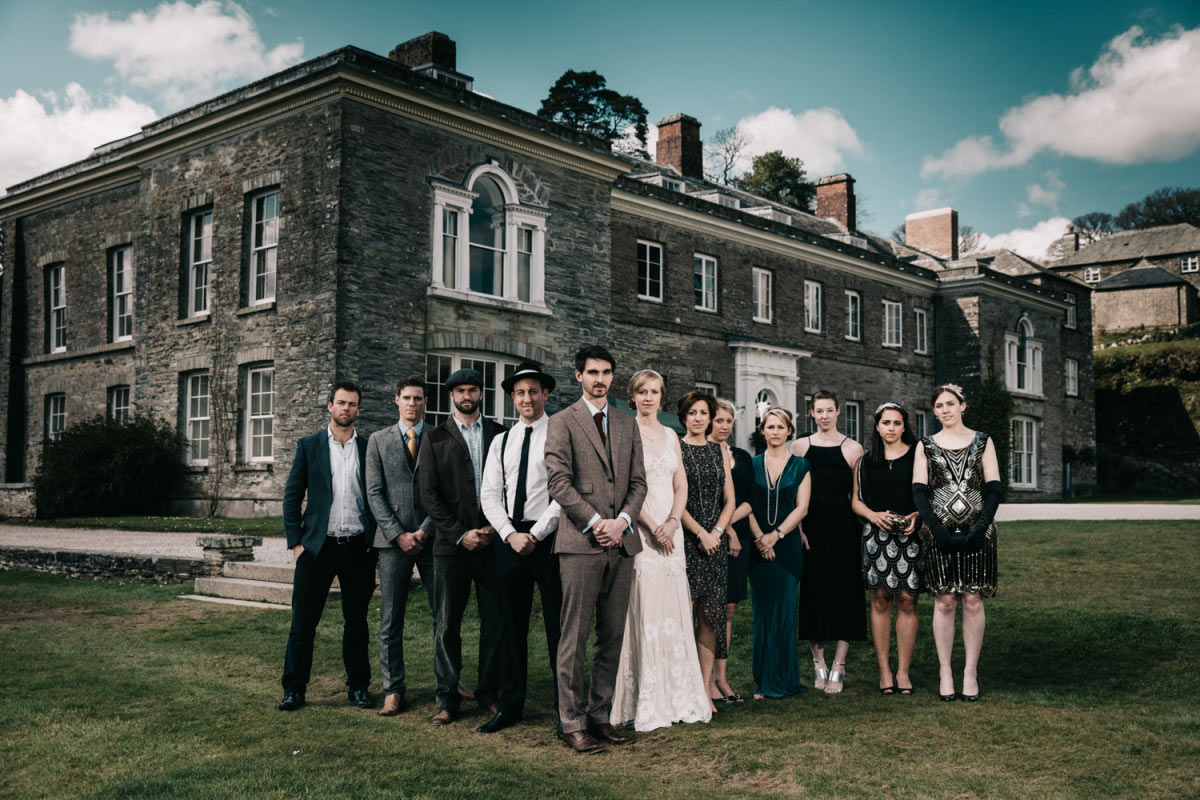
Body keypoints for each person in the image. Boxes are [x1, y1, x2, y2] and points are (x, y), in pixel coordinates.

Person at [544, 345, 647, 754]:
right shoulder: (562, 422)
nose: (600, 379)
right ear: (578, 376)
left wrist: (622, 521)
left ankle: (599, 715)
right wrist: (595, 522)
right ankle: (571, 722)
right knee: (574, 636)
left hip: (621, 544)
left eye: (606, 372)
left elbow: (638, 483)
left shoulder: (627, 423)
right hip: (580, 543)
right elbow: (559, 482)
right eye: (592, 372)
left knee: (612, 634)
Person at [611, 370, 711, 731]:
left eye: (655, 392)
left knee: (673, 609)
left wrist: (672, 522)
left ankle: (680, 693)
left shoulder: (671, 435)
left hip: (673, 534)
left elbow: (679, 484)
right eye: (643, 392)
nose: (649, 397)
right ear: (632, 396)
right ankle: (645, 698)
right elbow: (624, 491)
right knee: (646, 610)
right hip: (642, 534)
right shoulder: (623, 432)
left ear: (661, 397)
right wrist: (654, 527)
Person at [278, 381, 377, 712]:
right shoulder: (309, 446)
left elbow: (377, 497)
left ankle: (359, 687)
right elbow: (292, 497)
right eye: (341, 402)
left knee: (357, 623)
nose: (346, 408)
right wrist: (296, 544)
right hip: (317, 548)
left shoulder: (368, 448)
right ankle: (294, 689)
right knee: (304, 622)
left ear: (358, 410)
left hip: (357, 548)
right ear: (330, 407)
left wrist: (373, 541)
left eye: (352, 404)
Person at [478, 362, 563, 734]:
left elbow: (565, 491)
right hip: (509, 539)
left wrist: (538, 533)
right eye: (520, 393)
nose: (526, 398)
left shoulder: (561, 433)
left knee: (558, 629)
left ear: (546, 393)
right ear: (512, 398)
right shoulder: (501, 441)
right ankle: (510, 706)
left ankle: (567, 711)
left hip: (550, 539)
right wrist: (510, 534)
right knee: (510, 626)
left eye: (533, 391)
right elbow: (489, 494)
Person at [418, 368, 506, 725]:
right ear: (451, 395)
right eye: (460, 391)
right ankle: (447, 696)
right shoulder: (436, 436)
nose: (466, 396)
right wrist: (460, 533)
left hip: (492, 543)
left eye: (472, 390)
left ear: (480, 394)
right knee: (446, 623)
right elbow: (428, 494)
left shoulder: (500, 433)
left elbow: (508, 486)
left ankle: (489, 691)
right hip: (450, 547)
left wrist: (492, 527)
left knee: (494, 620)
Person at [911, 383, 1001, 702]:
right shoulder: (926, 445)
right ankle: (945, 671)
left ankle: (970, 672)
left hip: (979, 531)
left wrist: (980, 526)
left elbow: (993, 488)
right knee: (945, 600)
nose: (945, 410)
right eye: (939, 406)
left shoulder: (982, 441)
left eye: (950, 403)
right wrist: (935, 528)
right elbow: (919, 491)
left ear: (963, 405)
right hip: (940, 533)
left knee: (973, 599)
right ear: (934, 412)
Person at [366, 377, 438, 716]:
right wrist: (398, 534)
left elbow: (445, 491)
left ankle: (447, 681)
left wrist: (424, 531)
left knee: (444, 614)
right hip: (392, 543)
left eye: (419, 398)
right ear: (396, 400)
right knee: (391, 619)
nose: (412, 403)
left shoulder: (439, 438)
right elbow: (375, 493)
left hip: (432, 538)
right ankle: (393, 689)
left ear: (426, 401)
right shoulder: (378, 441)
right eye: (407, 398)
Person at [790, 390, 867, 694]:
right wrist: (797, 529)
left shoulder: (853, 449)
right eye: (818, 411)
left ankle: (839, 663)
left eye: (828, 410)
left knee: (845, 593)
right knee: (814, 593)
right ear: (811, 414)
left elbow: (858, 496)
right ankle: (818, 661)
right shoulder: (799, 447)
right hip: (810, 530)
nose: (823, 416)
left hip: (843, 530)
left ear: (838, 412)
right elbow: (792, 493)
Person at [851, 402, 922, 695]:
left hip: (910, 536)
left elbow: (927, 495)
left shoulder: (919, 458)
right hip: (876, 537)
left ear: (904, 426)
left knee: (907, 600)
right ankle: (884, 671)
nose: (891, 428)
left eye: (896, 423)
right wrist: (873, 516)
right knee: (880, 600)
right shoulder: (865, 462)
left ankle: (903, 671)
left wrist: (918, 517)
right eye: (885, 423)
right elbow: (855, 500)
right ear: (877, 427)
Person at [743, 406, 811, 699]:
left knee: (784, 612)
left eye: (780, 427)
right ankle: (764, 681)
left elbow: (802, 508)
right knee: (763, 614)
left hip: (787, 548)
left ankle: (783, 679)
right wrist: (761, 540)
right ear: (762, 431)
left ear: (789, 431)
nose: (775, 432)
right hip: (757, 549)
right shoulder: (752, 464)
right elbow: (744, 504)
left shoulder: (801, 465)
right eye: (770, 427)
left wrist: (777, 535)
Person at [676, 390, 735, 712]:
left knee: (710, 617)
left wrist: (716, 532)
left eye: (703, 413)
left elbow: (731, 501)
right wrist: (699, 532)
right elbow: (675, 500)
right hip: (685, 539)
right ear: (684, 416)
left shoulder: (718, 451)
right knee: (683, 613)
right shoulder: (677, 447)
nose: (698, 418)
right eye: (693, 413)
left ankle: (703, 687)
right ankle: (682, 686)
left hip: (715, 542)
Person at [709, 398, 751, 703]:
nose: (724, 426)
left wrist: (732, 526)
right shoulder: (699, 452)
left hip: (738, 541)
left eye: (728, 421)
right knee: (708, 609)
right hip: (709, 537)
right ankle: (705, 677)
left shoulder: (743, 457)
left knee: (729, 610)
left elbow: (749, 500)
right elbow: (702, 502)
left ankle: (721, 677)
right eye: (718, 420)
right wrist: (727, 531)